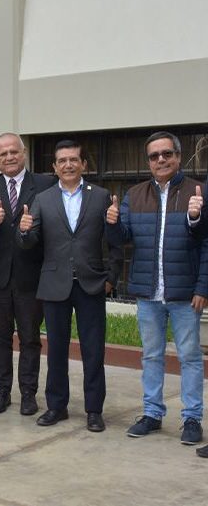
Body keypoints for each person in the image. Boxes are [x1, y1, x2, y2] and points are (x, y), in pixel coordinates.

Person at [106, 131, 207, 445]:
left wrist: (202, 286)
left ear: (178, 156)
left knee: (189, 357)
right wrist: (111, 223)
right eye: (154, 156)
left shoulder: (197, 191)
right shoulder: (134, 194)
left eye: (167, 154)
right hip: (148, 293)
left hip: (184, 293)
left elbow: (205, 243)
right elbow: (121, 238)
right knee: (151, 356)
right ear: (148, 161)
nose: (161, 160)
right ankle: (152, 413)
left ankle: (192, 418)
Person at [17, 140, 122, 432]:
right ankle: (57, 406)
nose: (68, 165)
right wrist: (23, 231)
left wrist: (111, 278)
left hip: (91, 284)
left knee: (93, 350)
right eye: (62, 160)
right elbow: (29, 241)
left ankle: (93, 410)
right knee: (56, 350)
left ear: (83, 164)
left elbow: (116, 243)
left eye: (74, 159)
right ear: (54, 167)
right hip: (54, 284)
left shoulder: (101, 197)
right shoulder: (44, 198)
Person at [0, 133, 55, 416]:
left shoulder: (45, 184)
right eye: (3, 154)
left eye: (13, 152)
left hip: (31, 276)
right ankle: (2, 391)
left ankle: (29, 394)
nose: (9, 157)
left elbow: (53, 224)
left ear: (24, 154)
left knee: (30, 337)